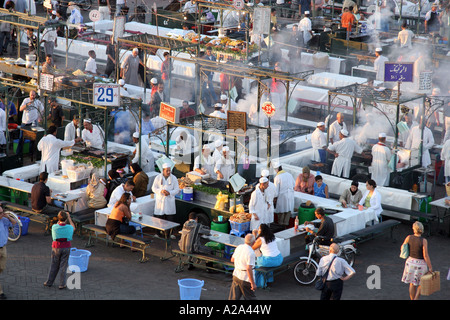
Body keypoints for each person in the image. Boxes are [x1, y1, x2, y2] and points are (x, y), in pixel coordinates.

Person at [401, 221, 433, 300]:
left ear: (414, 229)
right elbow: (425, 255)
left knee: (412, 284)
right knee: (422, 283)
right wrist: (430, 267)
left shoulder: (408, 237)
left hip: (410, 262)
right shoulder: (424, 240)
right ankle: (416, 298)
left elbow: (403, 247)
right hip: (420, 264)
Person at [43, 210, 75, 289]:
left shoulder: (54, 227)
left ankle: (49, 282)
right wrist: (69, 218)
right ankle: (62, 284)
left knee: (54, 265)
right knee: (63, 266)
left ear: (58, 218)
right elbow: (73, 227)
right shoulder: (69, 227)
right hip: (66, 247)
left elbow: (54, 234)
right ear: (66, 219)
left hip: (56, 247)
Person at [252, 224, 283, 288]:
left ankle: (260, 282)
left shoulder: (261, 239)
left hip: (269, 261)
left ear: (261, 230)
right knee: (268, 264)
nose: (258, 230)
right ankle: (269, 281)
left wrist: (254, 235)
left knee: (255, 264)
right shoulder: (272, 236)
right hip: (279, 259)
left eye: (259, 229)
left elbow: (252, 247)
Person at [228, 233, 257, 300]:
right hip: (245, 278)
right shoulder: (251, 252)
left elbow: (232, 259)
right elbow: (249, 268)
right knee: (250, 297)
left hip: (236, 274)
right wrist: (253, 283)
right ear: (253, 242)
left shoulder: (239, 247)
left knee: (234, 297)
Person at [0, 204, 17, 300]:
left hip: (3, 248)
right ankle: (1, 293)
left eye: (3, 212)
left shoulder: (4, 220)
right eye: (0, 213)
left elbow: (14, 223)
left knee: (2, 267)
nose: (2, 214)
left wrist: (8, 216)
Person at [272, 160, 295, 228]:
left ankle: (281, 227)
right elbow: (294, 184)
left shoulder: (277, 177)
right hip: (290, 196)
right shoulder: (289, 175)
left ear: (277, 169)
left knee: (281, 213)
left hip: (282, 197)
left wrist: (274, 198)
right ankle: (285, 226)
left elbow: (276, 191)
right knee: (288, 211)